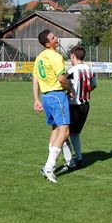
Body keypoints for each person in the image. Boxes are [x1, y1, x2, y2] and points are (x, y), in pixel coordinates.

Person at [32, 29, 73, 183]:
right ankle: (49, 166)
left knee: (55, 129)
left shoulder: (39, 57)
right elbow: (62, 79)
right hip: (57, 95)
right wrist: (69, 90)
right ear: (48, 43)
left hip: (46, 96)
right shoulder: (55, 56)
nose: (57, 38)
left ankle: (49, 165)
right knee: (65, 131)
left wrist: (36, 99)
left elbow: (35, 78)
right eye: (53, 37)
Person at [65, 45, 96, 169]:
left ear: (73, 56)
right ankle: (79, 158)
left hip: (74, 105)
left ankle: (69, 162)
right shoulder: (89, 69)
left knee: (63, 133)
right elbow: (93, 85)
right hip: (85, 105)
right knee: (75, 133)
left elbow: (63, 83)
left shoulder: (71, 71)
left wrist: (70, 92)